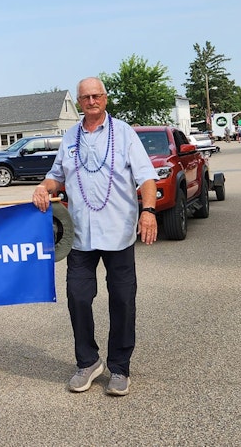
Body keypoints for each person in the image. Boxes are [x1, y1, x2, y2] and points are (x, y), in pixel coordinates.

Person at [31, 77, 157, 397]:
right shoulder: (70, 137)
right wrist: (44, 189)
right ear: (79, 101)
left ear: (105, 98)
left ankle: (119, 367)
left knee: (123, 301)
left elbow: (146, 178)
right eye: (85, 97)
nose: (91, 101)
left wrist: (149, 211)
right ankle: (87, 362)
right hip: (80, 237)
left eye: (96, 95)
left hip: (119, 233)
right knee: (78, 298)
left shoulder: (125, 133)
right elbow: (56, 177)